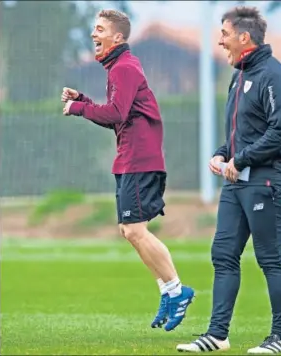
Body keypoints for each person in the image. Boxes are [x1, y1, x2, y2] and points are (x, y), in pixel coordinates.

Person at [61, 9, 194, 332]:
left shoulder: (124, 67)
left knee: (135, 230)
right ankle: (167, 291)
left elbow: (116, 113)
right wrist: (85, 99)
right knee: (129, 231)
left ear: (118, 37)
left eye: (100, 29)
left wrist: (78, 108)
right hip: (130, 159)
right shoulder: (119, 68)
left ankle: (178, 291)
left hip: (140, 160)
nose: (94, 35)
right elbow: (121, 114)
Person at [176, 6, 281, 354]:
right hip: (235, 182)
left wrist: (240, 159)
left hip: (267, 180)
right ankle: (217, 335)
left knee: (269, 258)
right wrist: (220, 153)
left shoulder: (273, 75)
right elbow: (237, 132)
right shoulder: (238, 75)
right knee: (223, 254)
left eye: (225, 34)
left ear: (244, 38)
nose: (220, 41)